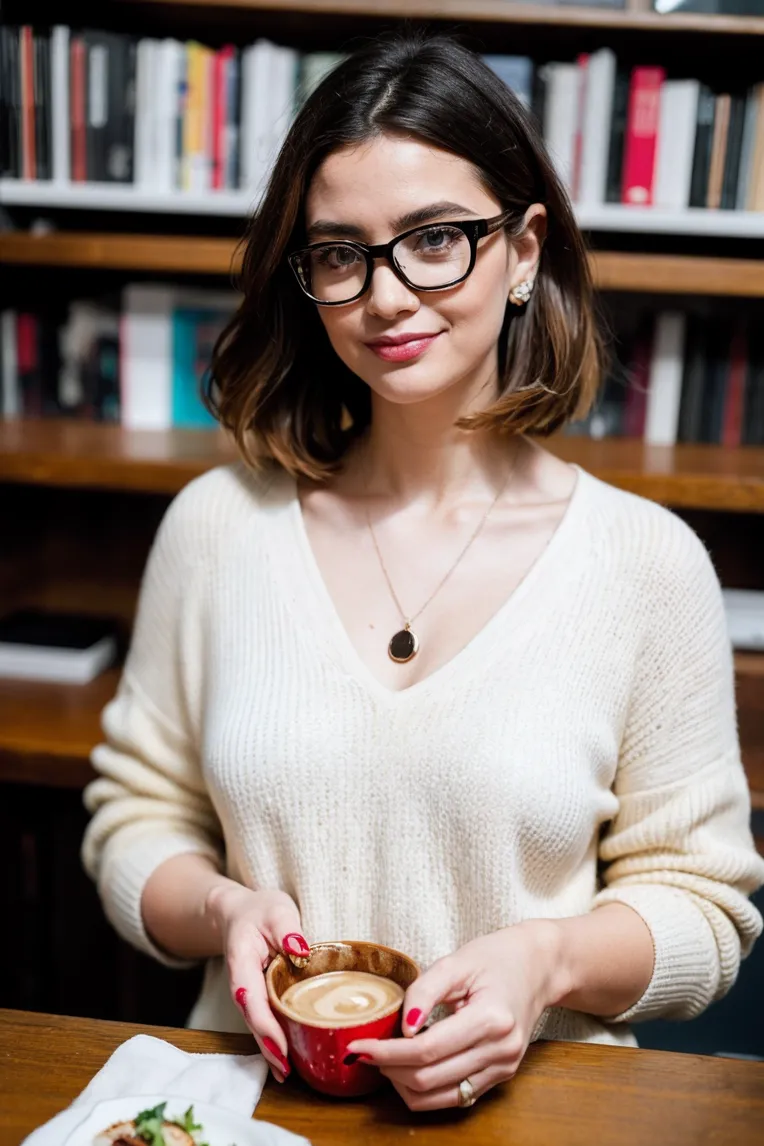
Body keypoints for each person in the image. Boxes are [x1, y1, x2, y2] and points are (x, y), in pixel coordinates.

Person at [82, 32, 764, 1112]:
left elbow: (703, 906)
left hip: (544, 1116)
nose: (387, 296)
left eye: (434, 238)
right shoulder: (216, 530)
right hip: (247, 1115)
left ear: (524, 249)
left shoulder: (645, 565)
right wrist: (219, 912)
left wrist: (545, 965)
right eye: (340, 252)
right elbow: (136, 819)